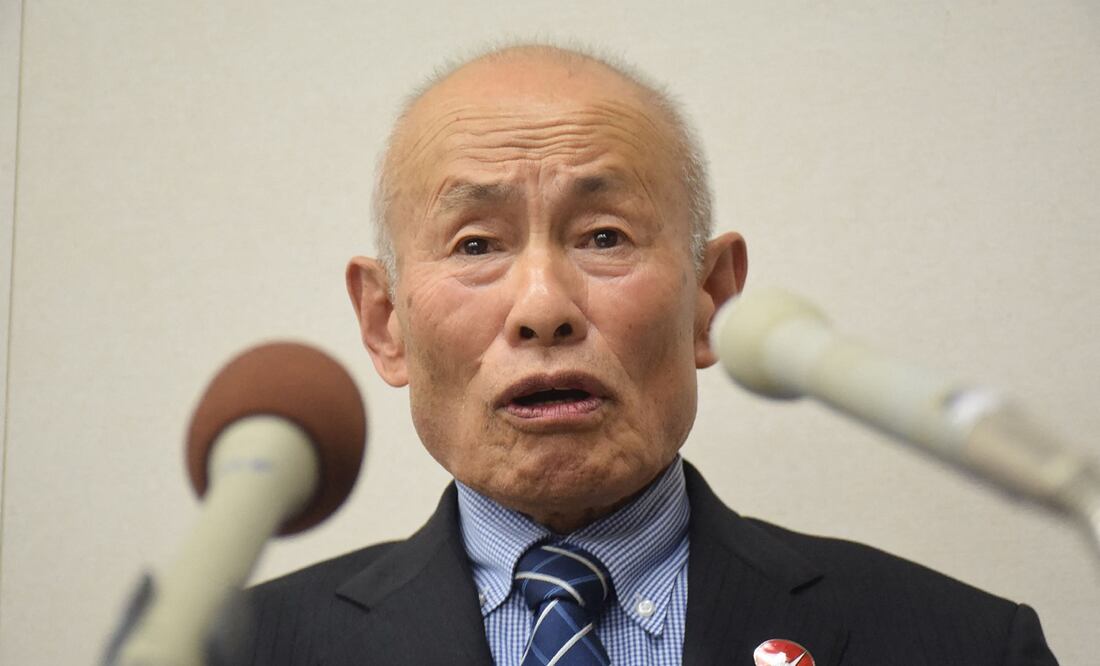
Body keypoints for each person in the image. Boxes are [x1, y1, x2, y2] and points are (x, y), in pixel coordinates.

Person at [243, 44, 1059, 665]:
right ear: (386, 321)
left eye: (604, 237)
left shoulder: (965, 645)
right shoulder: (235, 651)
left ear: (712, 299)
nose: (542, 308)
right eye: (476, 243)